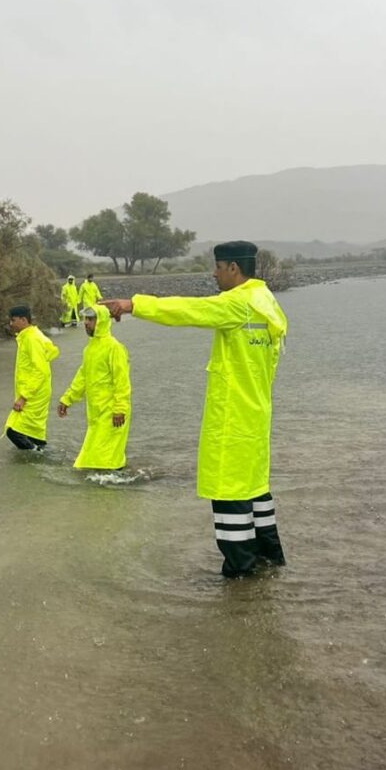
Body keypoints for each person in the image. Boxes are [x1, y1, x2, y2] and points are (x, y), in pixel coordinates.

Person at [102, 241, 288, 578]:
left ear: (233, 268)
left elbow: (189, 311)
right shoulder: (268, 304)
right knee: (256, 492)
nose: (214, 274)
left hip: (233, 419)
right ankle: (272, 566)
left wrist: (134, 305)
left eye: (218, 268)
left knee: (230, 495)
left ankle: (241, 579)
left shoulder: (239, 305)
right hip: (257, 416)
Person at [56, 305, 131, 470]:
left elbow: (122, 381)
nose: (86, 323)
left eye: (91, 319)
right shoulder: (90, 349)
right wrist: (67, 399)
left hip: (112, 413)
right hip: (96, 414)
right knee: (90, 462)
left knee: (103, 462)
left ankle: (110, 493)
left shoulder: (114, 347)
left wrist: (120, 408)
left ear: (102, 321)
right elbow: (82, 377)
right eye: (86, 319)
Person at [3, 305, 60, 451]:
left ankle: (37, 455)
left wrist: (24, 397)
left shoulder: (32, 339)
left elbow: (39, 371)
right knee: (33, 430)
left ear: (23, 320)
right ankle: (39, 450)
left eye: (13, 320)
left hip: (33, 393)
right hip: (36, 391)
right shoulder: (28, 336)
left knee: (13, 431)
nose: (11, 324)